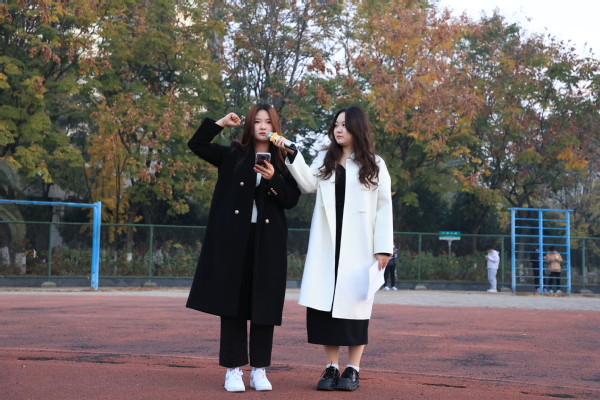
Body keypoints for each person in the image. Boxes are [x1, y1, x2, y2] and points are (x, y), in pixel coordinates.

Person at [272, 105, 393, 391]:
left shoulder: (375, 164)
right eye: (336, 124)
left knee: (355, 310)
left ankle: (353, 369)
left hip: (360, 246)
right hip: (327, 243)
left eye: (345, 125)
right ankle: (330, 367)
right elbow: (307, 184)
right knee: (325, 309)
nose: (339, 129)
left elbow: (384, 207)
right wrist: (292, 153)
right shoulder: (324, 159)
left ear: (357, 129)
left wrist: (383, 248)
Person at [185, 104, 301, 392]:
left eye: (268, 122)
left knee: (264, 305)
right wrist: (221, 123)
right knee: (232, 305)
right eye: (257, 121)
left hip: (268, 241)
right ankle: (233, 369)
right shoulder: (233, 154)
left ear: (275, 127)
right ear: (249, 125)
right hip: (233, 240)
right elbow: (197, 144)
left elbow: (292, 200)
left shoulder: (285, 159)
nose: (262, 126)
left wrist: (274, 178)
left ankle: (259, 370)